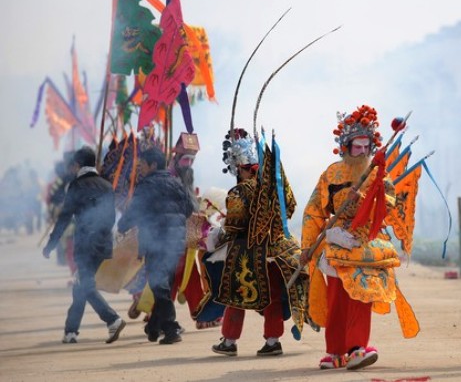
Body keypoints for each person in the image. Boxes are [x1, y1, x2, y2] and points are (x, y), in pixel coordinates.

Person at [300, 105, 418, 371]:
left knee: (361, 298)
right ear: (345, 146)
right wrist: (308, 246)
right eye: (357, 147)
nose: (362, 152)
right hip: (336, 239)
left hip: (366, 240)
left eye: (366, 147)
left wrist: (364, 199)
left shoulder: (378, 173)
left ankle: (356, 349)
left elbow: (388, 203)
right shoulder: (331, 174)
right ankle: (334, 351)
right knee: (336, 300)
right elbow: (314, 211)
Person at [210, 128, 312, 357]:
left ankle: (229, 341)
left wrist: (220, 230)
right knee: (272, 296)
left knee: (235, 295)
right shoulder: (274, 187)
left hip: (247, 251)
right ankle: (273, 340)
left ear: (240, 168)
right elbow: (290, 207)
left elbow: (235, 224)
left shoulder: (238, 192)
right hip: (277, 248)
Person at [42, 146, 126, 344]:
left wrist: (51, 244)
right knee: (81, 285)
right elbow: (111, 218)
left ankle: (112, 319)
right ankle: (71, 331)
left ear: (77, 165)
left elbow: (64, 218)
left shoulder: (76, 186)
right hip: (103, 244)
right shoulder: (106, 185)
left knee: (84, 285)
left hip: (85, 244)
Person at [118, 146, 194, 345]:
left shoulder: (146, 185)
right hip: (176, 242)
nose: (140, 168)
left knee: (158, 285)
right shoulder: (176, 183)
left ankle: (171, 327)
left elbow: (134, 211)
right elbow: (188, 209)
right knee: (164, 286)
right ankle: (153, 327)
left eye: (142, 164)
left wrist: (122, 225)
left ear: (152, 165)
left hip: (156, 243)